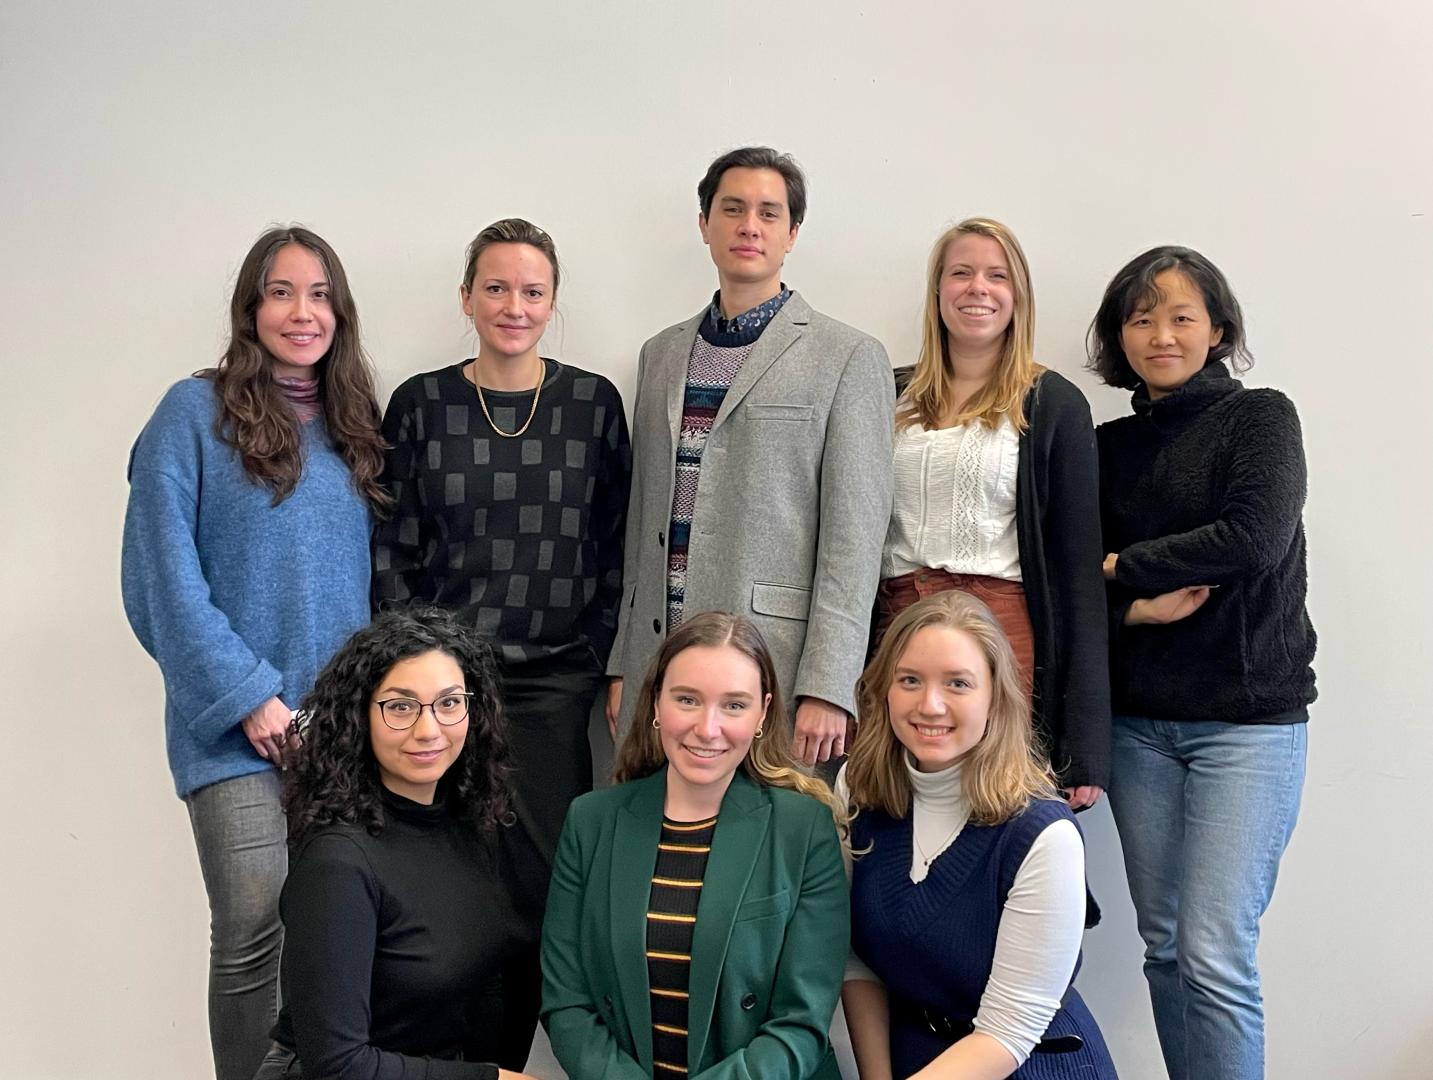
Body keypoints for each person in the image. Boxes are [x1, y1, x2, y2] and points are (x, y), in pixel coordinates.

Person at [121, 226, 387, 1080]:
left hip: (340, 733)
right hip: (234, 729)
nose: (300, 312)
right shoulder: (190, 415)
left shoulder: (353, 428)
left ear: (338, 312)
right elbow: (161, 581)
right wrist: (249, 697)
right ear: (250, 306)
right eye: (281, 292)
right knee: (252, 926)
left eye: (318, 295)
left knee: (337, 935)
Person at [371, 217, 631, 1058]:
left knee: (540, 893)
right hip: (441, 692)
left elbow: (616, 544)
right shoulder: (420, 403)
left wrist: (594, 657)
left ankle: (511, 1066)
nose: (512, 306)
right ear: (466, 297)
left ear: (552, 303)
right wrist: (414, 670)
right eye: (495, 288)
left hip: (554, 689)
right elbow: (393, 546)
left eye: (531, 291)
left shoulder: (592, 403)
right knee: (443, 886)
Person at [1089, 246, 1315, 1080]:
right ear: (1120, 335)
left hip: (1246, 725)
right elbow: (1066, 572)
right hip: (1139, 725)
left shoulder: (1260, 417)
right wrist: (1130, 602)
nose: (1160, 334)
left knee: (1214, 952)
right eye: (1141, 317)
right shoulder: (1104, 445)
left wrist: (1120, 568)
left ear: (1216, 329)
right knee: (1163, 948)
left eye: (1181, 315)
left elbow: (1250, 540)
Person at [606, 146, 894, 769]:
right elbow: (642, 525)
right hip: (659, 663)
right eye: (732, 209)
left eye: (769, 212)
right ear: (705, 225)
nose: (748, 225)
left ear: (792, 233)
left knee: (765, 847)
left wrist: (828, 682)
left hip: (777, 664)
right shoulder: (660, 354)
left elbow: (855, 539)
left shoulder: (848, 356)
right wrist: (624, 660)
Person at [542, 612, 849, 1080]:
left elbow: (801, 1023)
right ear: (656, 704)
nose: (708, 728)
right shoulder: (591, 822)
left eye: (734, 705)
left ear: (763, 713)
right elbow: (566, 1001)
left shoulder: (803, 830)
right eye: (687, 699)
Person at [251, 608, 539, 1080]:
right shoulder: (338, 862)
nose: (428, 730)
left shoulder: (470, 827)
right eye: (401, 707)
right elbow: (338, 1065)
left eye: (449, 703)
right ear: (360, 716)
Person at [839, 590, 1117, 1080]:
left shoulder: (1044, 834)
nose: (930, 704)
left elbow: (1007, 1032)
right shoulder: (855, 790)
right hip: (913, 1059)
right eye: (910, 680)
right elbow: (855, 959)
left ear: (995, 696)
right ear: (884, 688)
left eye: (958, 684)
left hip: (1031, 1065)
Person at [882, 218, 1109, 807]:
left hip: (1004, 633)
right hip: (896, 627)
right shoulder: (887, 392)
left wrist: (1084, 745)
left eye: (996, 275)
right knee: (893, 805)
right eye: (960, 273)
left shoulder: (1052, 403)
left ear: (1019, 296)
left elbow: (1079, 577)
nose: (977, 288)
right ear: (937, 291)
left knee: (998, 808)